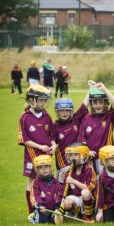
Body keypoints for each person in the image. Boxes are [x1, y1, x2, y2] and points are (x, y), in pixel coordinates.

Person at [18, 85, 55, 215]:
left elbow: (52, 135)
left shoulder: (47, 116)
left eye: (45, 100)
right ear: (31, 100)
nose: (44, 103)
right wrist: (39, 147)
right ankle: (32, 212)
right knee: (32, 183)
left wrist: (54, 144)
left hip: (46, 155)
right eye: (41, 100)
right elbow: (23, 139)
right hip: (32, 156)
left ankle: (48, 211)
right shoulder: (25, 117)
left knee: (48, 182)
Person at [53, 81, 93, 184]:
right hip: (63, 164)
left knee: (79, 187)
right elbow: (51, 142)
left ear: (71, 111)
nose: (65, 112)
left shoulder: (77, 118)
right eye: (61, 111)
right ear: (57, 112)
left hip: (80, 161)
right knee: (63, 189)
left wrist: (90, 88)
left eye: (67, 110)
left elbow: (85, 103)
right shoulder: (55, 126)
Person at [78, 83, 114, 175]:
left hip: (106, 157)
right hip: (90, 158)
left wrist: (104, 89)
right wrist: (87, 151)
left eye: (101, 102)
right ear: (91, 104)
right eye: (95, 102)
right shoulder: (86, 118)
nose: (98, 105)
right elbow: (82, 138)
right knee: (92, 183)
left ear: (106, 103)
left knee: (106, 182)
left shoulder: (109, 116)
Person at [57, 143, 96, 223]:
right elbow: (63, 191)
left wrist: (74, 181)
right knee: (65, 203)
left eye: (76, 155)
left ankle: (89, 216)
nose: (72, 158)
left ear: (84, 155)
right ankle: (80, 214)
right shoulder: (69, 172)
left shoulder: (89, 169)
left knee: (84, 192)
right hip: (76, 199)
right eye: (71, 155)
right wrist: (58, 207)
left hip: (88, 198)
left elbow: (89, 188)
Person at [28, 155, 62, 224]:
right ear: (36, 169)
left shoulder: (56, 183)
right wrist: (39, 206)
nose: (44, 169)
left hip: (53, 209)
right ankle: (33, 216)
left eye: (46, 166)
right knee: (42, 221)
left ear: (51, 167)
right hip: (42, 209)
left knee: (54, 221)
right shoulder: (35, 182)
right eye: (41, 167)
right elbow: (34, 195)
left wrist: (57, 208)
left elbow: (59, 196)